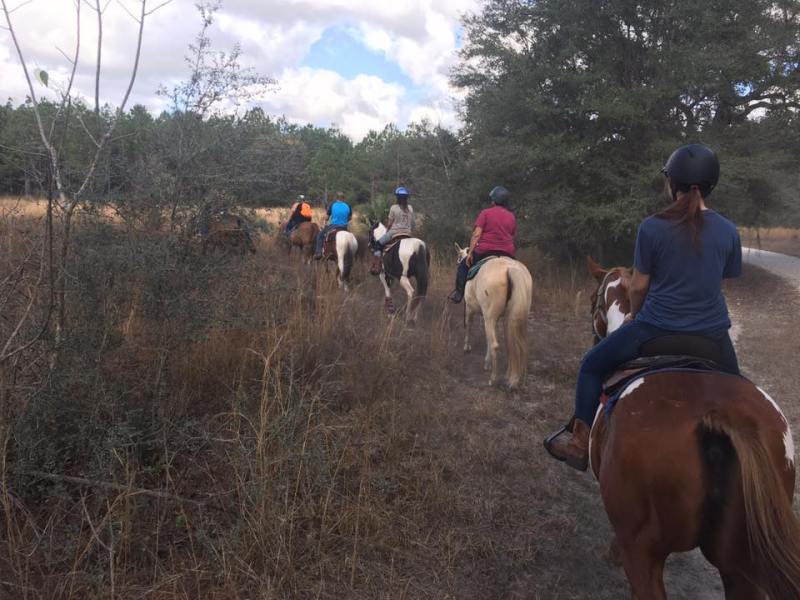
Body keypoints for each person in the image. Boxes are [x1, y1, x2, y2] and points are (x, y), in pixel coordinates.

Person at [544, 143, 742, 472]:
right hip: (712, 338)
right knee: (740, 395)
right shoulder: (728, 230)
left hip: (654, 331)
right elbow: (724, 279)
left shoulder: (652, 227)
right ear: (711, 185)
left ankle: (579, 442)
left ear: (672, 183)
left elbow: (637, 286)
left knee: (591, 365)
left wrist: (636, 314)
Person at [448, 185, 516, 303]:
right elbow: (512, 235)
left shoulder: (486, 213)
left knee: (463, 266)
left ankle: (458, 294)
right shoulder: (511, 216)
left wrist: (469, 254)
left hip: (485, 251)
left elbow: (476, 234)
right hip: (507, 252)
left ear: (494, 200)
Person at [370, 186, 416, 273]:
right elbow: (413, 223)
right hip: (408, 233)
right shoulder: (410, 208)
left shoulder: (393, 207)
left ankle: (377, 266)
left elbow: (390, 223)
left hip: (395, 232)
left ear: (397, 197)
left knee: (377, 244)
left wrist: (387, 231)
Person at [314, 192, 352, 259]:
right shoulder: (348, 205)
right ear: (343, 198)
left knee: (320, 235)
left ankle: (318, 253)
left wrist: (324, 220)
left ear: (336, 198)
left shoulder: (332, 205)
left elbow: (327, 217)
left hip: (334, 226)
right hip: (344, 227)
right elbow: (350, 218)